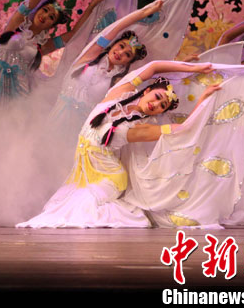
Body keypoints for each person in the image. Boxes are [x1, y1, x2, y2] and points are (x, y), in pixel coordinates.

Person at [20, 63, 220, 228]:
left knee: (83, 206)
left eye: (162, 106)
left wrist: (203, 99)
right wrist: (193, 68)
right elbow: (154, 67)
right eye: (158, 97)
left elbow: (183, 128)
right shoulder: (119, 95)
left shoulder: (141, 127)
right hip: (84, 174)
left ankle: (129, 214)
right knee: (60, 205)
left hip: (111, 177)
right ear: (147, 90)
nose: (156, 104)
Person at [0, 0, 101, 106]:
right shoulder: (16, 25)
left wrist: (91, 7)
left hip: (18, 96)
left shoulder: (41, 45)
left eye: (51, 17)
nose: (45, 16)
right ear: (38, 9)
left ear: (52, 25)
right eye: (45, 10)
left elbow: (73, 34)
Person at [51, 0, 162, 134]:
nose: (120, 52)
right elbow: (115, 29)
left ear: (128, 62)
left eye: (127, 54)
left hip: (78, 132)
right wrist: (144, 13)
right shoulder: (88, 58)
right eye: (121, 46)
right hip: (53, 122)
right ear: (113, 44)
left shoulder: (118, 82)